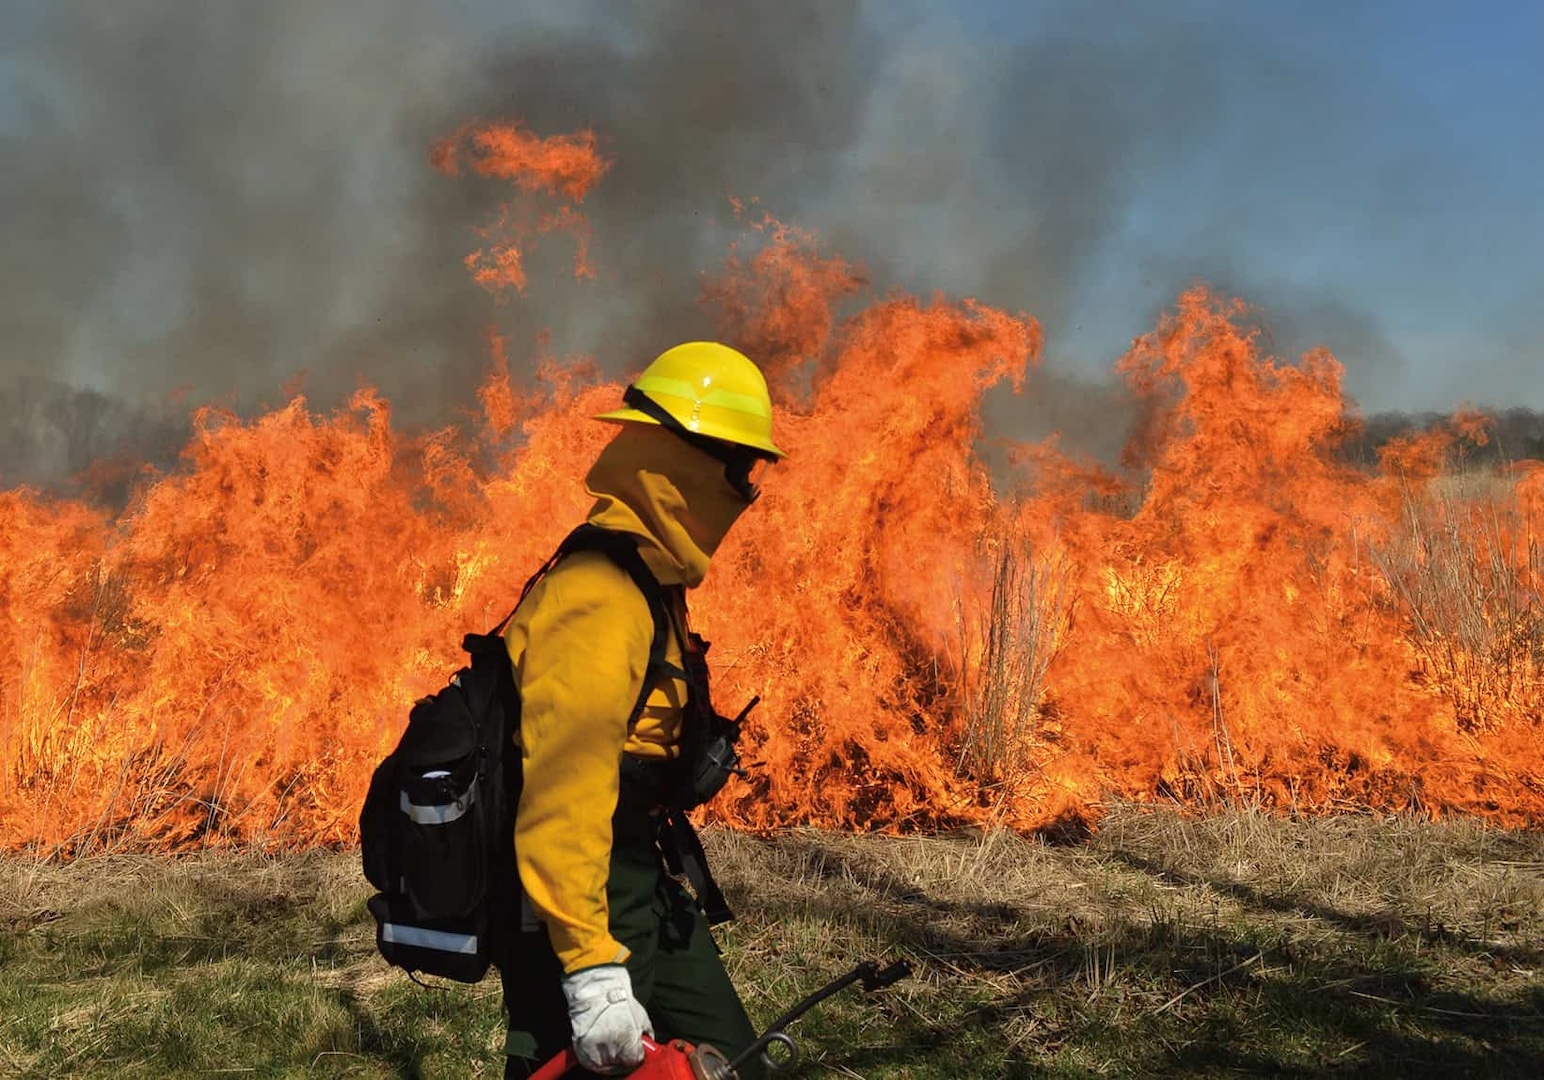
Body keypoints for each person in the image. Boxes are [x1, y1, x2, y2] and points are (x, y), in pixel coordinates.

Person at [499, 341, 783, 1078]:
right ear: (684, 460)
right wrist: (591, 971)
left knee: (736, 1061)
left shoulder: (647, 586)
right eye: (735, 465)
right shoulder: (596, 596)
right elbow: (563, 793)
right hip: (585, 895)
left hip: (641, 873)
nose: (744, 488)